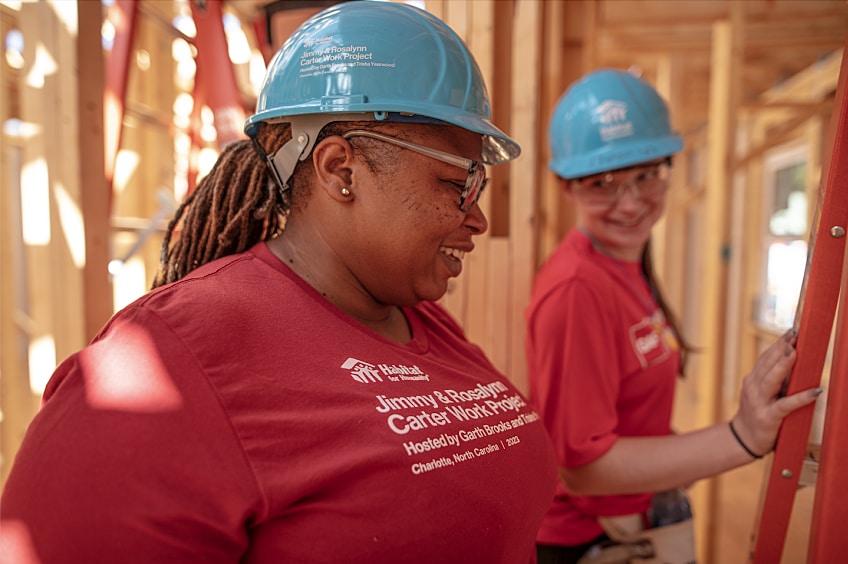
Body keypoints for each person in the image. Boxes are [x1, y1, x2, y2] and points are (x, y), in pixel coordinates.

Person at [0, 3, 558, 563]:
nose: (478, 217)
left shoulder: (416, 316)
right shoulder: (168, 358)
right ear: (341, 169)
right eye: (457, 183)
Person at [524, 69, 823, 563]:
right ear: (567, 186)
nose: (631, 202)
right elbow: (584, 468)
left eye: (647, 174)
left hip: (634, 517)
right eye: (602, 183)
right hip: (589, 541)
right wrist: (740, 438)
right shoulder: (578, 290)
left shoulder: (624, 267)